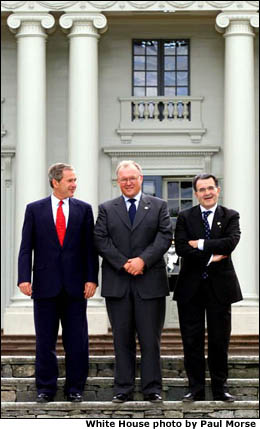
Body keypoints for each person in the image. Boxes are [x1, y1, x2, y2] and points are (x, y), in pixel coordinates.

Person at [18, 163, 99, 403]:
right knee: (45, 341)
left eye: (75, 180)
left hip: (76, 287)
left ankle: (75, 388)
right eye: (70, 181)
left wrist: (92, 278)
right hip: (44, 286)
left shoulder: (84, 210)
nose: (75, 184)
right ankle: (45, 388)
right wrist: (24, 278)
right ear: (55, 182)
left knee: (77, 342)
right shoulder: (34, 209)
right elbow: (26, 247)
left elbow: (89, 249)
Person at [94, 160, 172, 403]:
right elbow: (100, 239)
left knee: (151, 340)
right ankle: (123, 389)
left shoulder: (159, 206)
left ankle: (152, 389)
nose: (128, 182)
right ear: (118, 181)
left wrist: (142, 261)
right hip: (118, 283)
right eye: (123, 179)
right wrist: (124, 263)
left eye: (132, 178)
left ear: (141, 178)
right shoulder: (106, 208)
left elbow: (164, 236)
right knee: (122, 339)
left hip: (150, 283)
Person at [174, 173, 242, 402]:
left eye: (210, 188)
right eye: (202, 189)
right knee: (191, 341)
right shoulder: (185, 217)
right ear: (195, 194)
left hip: (220, 289)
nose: (207, 193)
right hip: (190, 289)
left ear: (218, 190)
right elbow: (182, 247)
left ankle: (220, 388)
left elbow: (230, 242)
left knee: (219, 341)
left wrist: (201, 244)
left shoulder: (230, 216)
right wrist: (211, 257)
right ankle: (195, 389)